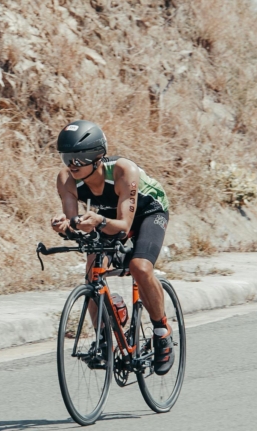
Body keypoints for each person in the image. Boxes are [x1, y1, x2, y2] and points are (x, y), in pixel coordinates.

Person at [49, 120, 174, 375]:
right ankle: (105, 338)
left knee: (139, 266)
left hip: (148, 212)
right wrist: (66, 226)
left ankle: (162, 331)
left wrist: (98, 221)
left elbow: (124, 225)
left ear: (97, 157)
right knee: (93, 268)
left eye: (79, 158)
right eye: (67, 157)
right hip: (108, 216)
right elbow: (76, 224)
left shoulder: (122, 170)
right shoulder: (66, 179)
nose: (72, 165)